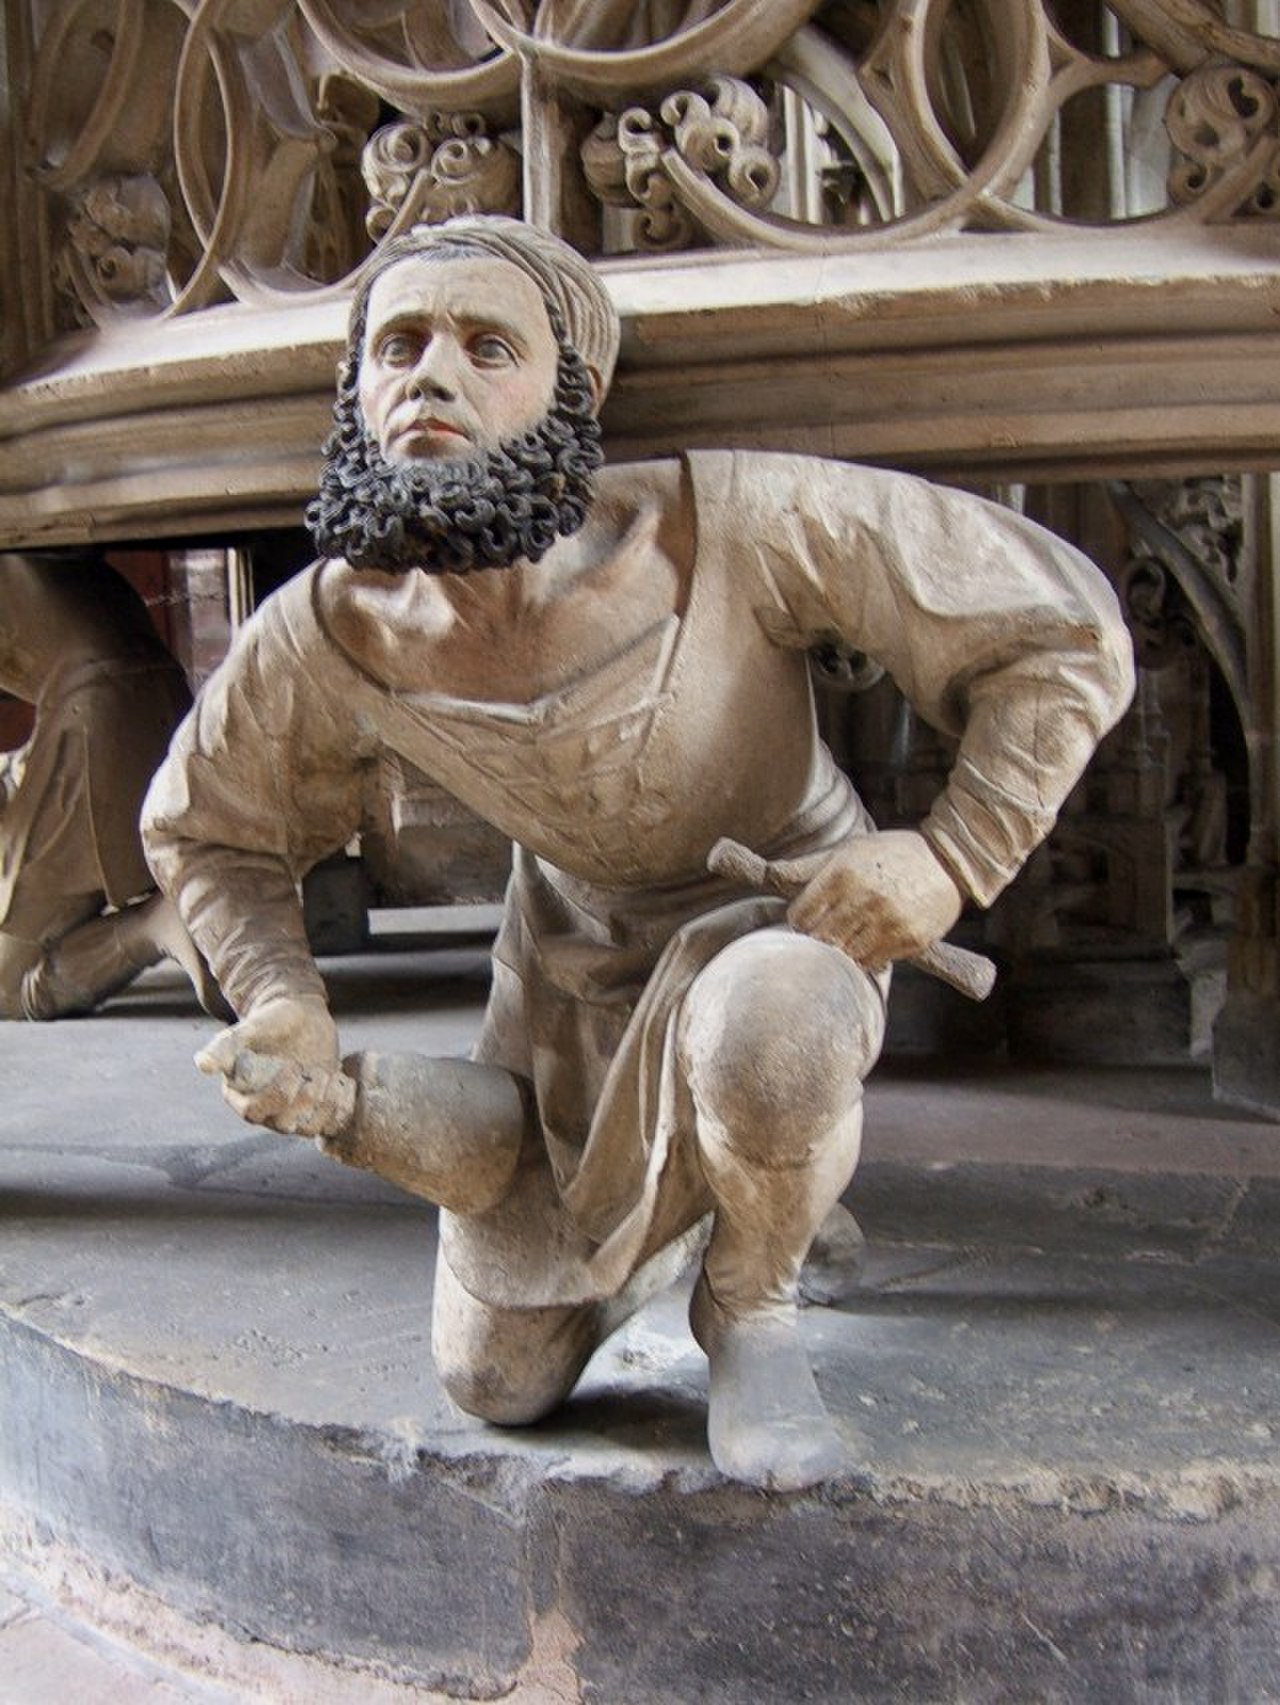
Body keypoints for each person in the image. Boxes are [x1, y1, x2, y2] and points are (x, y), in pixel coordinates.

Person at [142, 216, 1134, 1490]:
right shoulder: (328, 634)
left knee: (768, 1033)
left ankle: (749, 1297)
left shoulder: (733, 524)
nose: (428, 376)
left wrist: (946, 857)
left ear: (576, 389)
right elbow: (206, 824)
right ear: (354, 392)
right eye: (396, 346)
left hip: (783, 921)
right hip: (566, 967)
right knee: (494, 1382)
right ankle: (704, 1196)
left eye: (485, 345)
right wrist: (283, 997)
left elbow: (1061, 630)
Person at [0, 552, 226, 1021]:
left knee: (4, 987)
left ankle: (157, 924)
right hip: (162, 701)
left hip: (95, 719)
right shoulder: (29, 525)